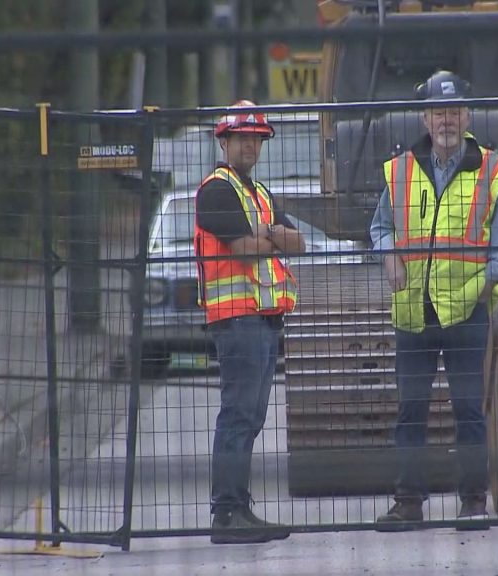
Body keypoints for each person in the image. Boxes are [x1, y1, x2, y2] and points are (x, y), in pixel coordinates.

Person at [369, 70, 498, 529]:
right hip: (414, 311)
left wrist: (471, 292)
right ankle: (408, 501)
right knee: (409, 410)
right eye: (438, 112)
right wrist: (390, 256)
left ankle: (474, 501)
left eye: (454, 112)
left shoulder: (493, 171)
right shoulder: (401, 171)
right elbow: (379, 228)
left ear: (467, 116)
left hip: (466, 313)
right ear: (426, 118)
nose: (446, 121)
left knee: (469, 410)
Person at [194, 100, 307, 544]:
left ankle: (239, 507)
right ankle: (226, 513)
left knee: (253, 415)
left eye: (256, 140)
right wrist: (270, 236)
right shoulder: (217, 190)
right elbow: (243, 249)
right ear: (223, 141)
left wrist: (270, 236)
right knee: (239, 415)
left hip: (262, 319)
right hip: (236, 320)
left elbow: (296, 243)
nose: (250, 147)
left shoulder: (258, 194)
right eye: (242, 139)